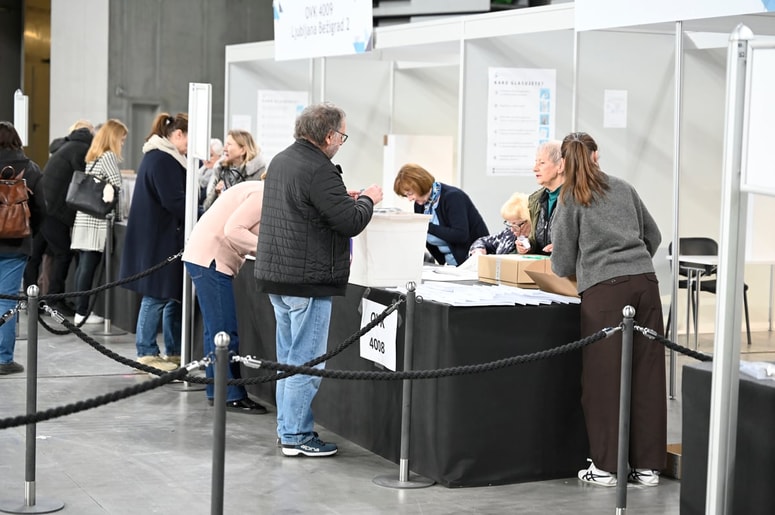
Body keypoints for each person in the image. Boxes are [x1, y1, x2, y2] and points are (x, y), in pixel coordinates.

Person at [254, 102, 383, 457]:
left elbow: (315, 208)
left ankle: (288, 430)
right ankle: (296, 435)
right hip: (306, 280)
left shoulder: (282, 160)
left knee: (288, 359)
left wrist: (345, 198)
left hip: (278, 277)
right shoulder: (319, 169)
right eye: (342, 135)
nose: (342, 142)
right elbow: (350, 223)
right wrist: (368, 200)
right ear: (328, 136)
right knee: (306, 364)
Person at [550, 131, 665, 487]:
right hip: (646, 284)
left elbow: (561, 262)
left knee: (603, 381)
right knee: (647, 377)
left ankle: (607, 467)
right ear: (596, 155)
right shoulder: (624, 187)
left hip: (605, 293)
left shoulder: (570, 198)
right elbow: (654, 236)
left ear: (564, 163)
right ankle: (647, 468)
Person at [182, 181, 268, 413]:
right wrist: (269, 248)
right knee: (224, 331)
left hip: (204, 258)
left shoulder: (254, 189)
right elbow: (234, 230)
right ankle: (231, 395)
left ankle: (217, 390)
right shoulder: (263, 195)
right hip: (211, 261)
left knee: (215, 331)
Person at [120, 112, 188, 372]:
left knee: (171, 296)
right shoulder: (163, 159)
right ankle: (146, 351)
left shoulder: (160, 157)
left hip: (162, 239)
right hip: (160, 240)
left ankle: (174, 351)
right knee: (157, 296)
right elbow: (174, 201)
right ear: (178, 134)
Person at [24, 120, 94, 314]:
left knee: (35, 255)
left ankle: (32, 303)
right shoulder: (81, 150)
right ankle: (55, 299)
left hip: (41, 206)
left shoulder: (65, 146)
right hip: (53, 211)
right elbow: (85, 182)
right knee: (64, 253)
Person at [70, 119, 128, 325]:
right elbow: (117, 187)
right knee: (88, 265)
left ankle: (80, 309)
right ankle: (82, 311)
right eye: (122, 139)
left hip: (84, 216)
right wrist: (120, 215)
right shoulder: (109, 157)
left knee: (83, 265)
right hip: (97, 220)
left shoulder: (93, 156)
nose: (123, 143)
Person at [0, 121, 46, 375]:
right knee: (6, 301)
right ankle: (3, 359)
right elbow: (42, 209)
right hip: (15, 245)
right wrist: (28, 232)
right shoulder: (30, 168)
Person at [393, 163, 488, 266]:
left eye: (410, 194)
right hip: (450, 266)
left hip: (473, 263)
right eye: (406, 195)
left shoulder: (453, 197)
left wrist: (425, 225)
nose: (410, 199)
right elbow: (426, 237)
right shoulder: (420, 205)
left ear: (420, 185)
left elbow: (461, 235)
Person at [202, 129, 266, 211]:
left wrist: (225, 197)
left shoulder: (258, 173)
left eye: (229, 144)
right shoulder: (221, 169)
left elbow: (251, 209)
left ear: (242, 150)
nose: (224, 149)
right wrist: (216, 192)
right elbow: (206, 207)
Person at [468, 192, 532, 256]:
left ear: (530, 221)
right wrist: (479, 250)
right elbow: (481, 241)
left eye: (515, 224)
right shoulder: (508, 235)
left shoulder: (539, 240)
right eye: (510, 224)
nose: (512, 229)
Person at [197, 137, 223, 211]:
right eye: (205, 155)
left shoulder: (221, 174)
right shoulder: (199, 173)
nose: (206, 159)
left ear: (219, 156)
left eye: (211, 155)